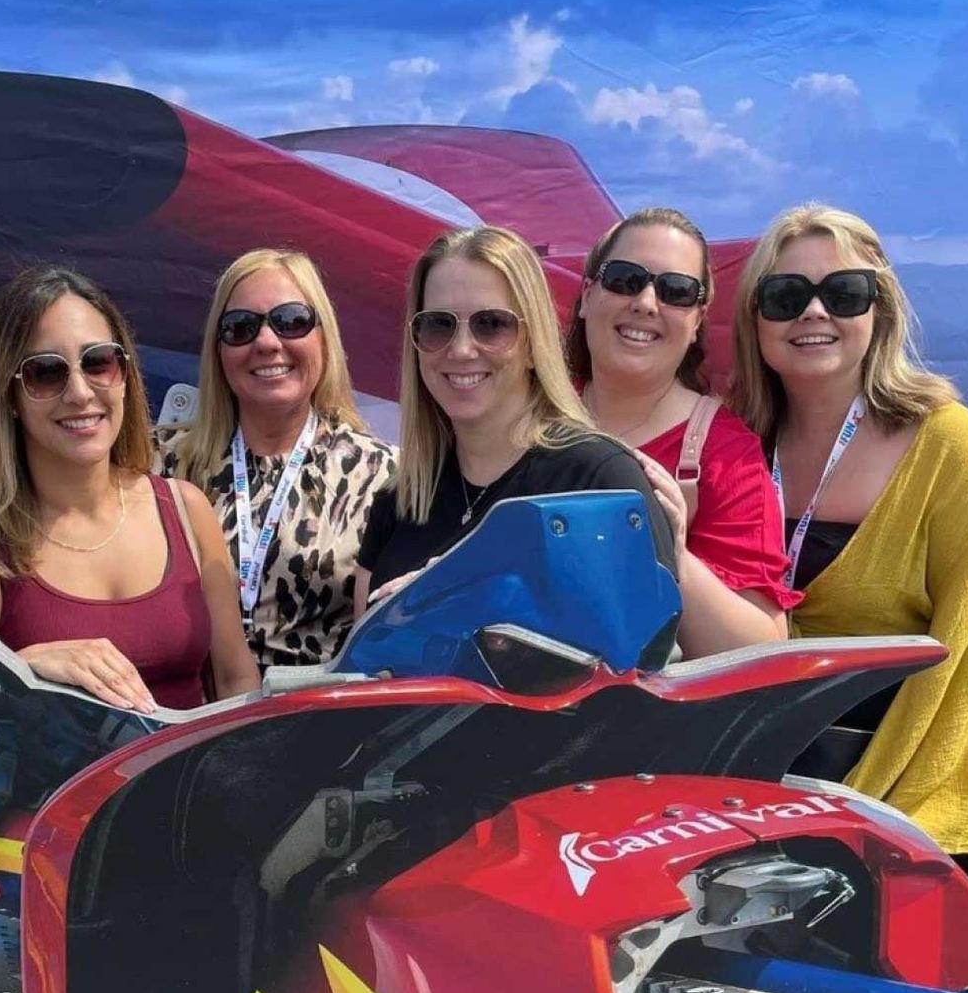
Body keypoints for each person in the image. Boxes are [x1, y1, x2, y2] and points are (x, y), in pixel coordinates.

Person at [727, 202, 968, 940]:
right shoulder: (733, 442)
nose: (814, 313)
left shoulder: (948, 447)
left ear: (879, 310)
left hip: (908, 821)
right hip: (756, 813)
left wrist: (888, 823)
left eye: (843, 292)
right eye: (785, 297)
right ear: (754, 321)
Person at [0, 266, 260, 710]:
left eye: (99, 362)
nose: (79, 392)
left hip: (189, 778)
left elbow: (235, 682)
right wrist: (20, 670)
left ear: (126, 374)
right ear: (8, 395)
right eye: (45, 373)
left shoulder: (186, 509)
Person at [355, 225, 673, 613]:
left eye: (491, 324)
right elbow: (362, 668)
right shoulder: (399, 498)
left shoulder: (602, 482)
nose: (461, 349)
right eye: (438, 324)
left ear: (532, 342)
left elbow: (644, 661)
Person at [569, 207, 799, 657]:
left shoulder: (725, 454)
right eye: (625, 278)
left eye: (676, 290)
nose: (646, 303)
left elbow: (762, 649)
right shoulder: (526, 421)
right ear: (586, 296)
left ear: (697, 321)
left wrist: (673, 553)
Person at [159, 249, 395, 668]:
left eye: (290, 321)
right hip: (182, 719)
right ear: (218, 350)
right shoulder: (161, 468)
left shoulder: (382, 477)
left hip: (316, 721)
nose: (267, 343)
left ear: (324, 336)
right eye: (240, 328)